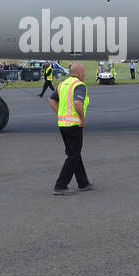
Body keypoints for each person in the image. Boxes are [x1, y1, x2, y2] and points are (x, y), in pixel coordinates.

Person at [50, 62, 92, 194]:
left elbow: (51, 100)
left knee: (74, 153)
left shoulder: (63, 84)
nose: (84, 73)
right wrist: (82, 119)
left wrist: (60, 114)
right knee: (73, 155)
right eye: (84, 71)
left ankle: (83, 182)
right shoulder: (79, 85)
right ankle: (60, 185)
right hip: (74, 124)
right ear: (79, 73)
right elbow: (77, 102)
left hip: (63, 124)